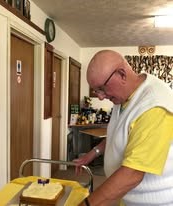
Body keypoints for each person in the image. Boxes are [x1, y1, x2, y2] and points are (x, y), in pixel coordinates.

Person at [74, 50, 173, 206]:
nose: (100, 97)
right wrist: (93, 153)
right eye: (96, 90)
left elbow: (132, 174)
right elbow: (118, 135)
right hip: (129, 198)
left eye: (102, 88)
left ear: (122, 74)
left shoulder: (154, 107)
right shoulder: (124, 97)